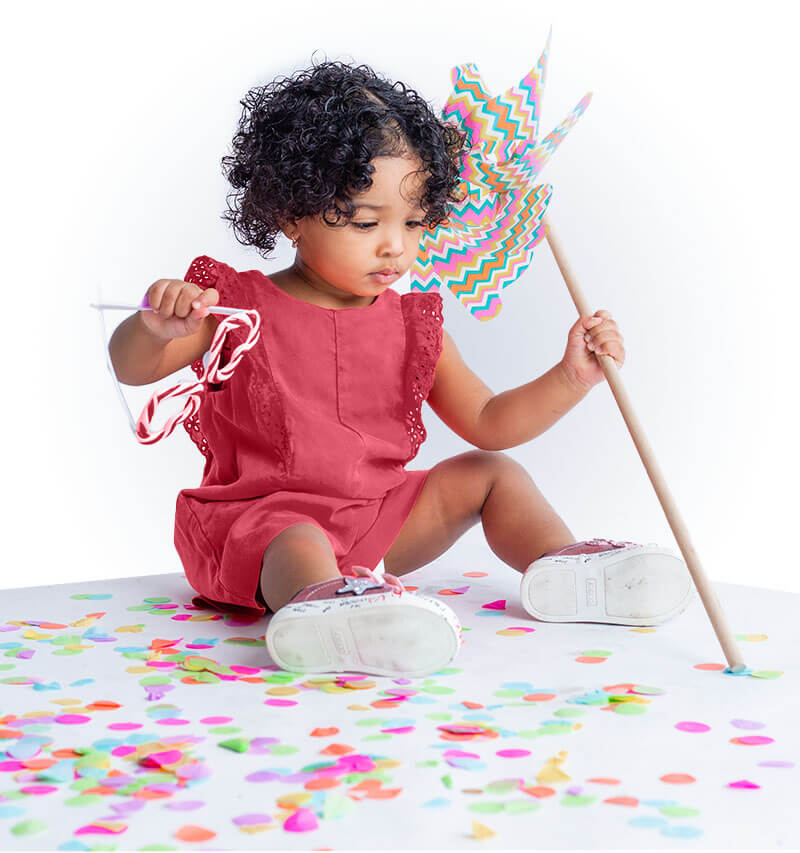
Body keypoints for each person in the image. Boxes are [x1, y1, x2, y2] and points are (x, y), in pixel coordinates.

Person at [108, 59, 694, 679]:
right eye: (366, 222)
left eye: (413, 221)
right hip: (260, 528)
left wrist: (570, 377)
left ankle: (568, 570)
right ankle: (327, 611)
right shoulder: (234, 305)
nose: (394, 245)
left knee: (493, 473)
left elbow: (489, 422)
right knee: (297, 534)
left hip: (378, 520)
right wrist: (155, 327)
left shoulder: (415, 325)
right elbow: (133, 368)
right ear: (289, 213)